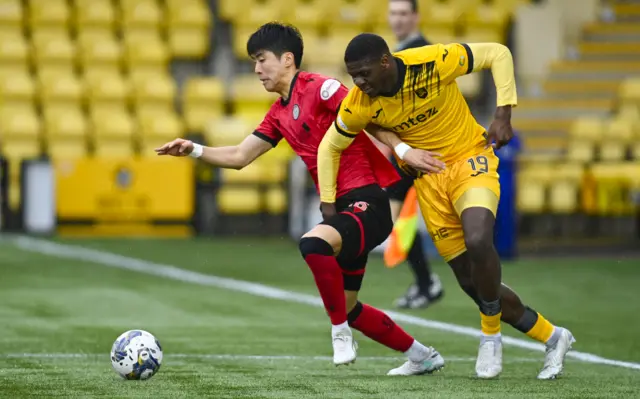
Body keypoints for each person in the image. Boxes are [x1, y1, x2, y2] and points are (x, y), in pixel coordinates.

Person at [155, 23, 444, 376]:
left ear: (287, 59)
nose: (257, 69)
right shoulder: (278, 113)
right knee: (349, 306)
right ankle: (421, 355)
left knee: (312, 244)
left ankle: (339, 334)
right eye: (253, 62)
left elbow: (366, 114)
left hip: (368, 202)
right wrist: (194, 149)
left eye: (262, 60)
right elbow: (240, 156)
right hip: (344, 211)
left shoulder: (321, 89)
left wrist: (401, 149)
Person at [316, 33, 575, 380]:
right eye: (353, 76)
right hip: (430, 183)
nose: (359, 83)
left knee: (479, 239)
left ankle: (490, 336)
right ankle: (553, 336)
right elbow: (329, 146)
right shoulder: (361, 101)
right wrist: (328, 205)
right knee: (473, 282)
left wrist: (503, 113)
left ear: (385, 62)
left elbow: (497, 53)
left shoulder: (432, 61)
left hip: (470, 159)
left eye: (364, 73)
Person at [386, 0, 443, 309]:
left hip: (428, 150)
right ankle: (425, 282)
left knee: (446, 223)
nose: (398, 19)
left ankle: (428, 282)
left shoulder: (422, 54)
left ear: (416, 17)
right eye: (393, 13)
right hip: (409, 154)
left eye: (403, 13)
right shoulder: (396, 55)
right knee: (397, 218)